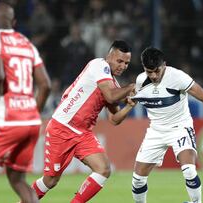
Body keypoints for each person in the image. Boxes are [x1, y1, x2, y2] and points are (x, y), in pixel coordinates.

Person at [0, 3, 51, 203]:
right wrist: (32, 112)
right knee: (18, 180)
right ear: (13, 23)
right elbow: (45, 85)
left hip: (7, 118)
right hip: (30, 121)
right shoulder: (26, 43)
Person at [31, 40, 136, 203]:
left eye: (126, 63)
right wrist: (131, 87)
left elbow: (114, 119)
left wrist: (129, 106)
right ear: (109, 56)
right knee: (50, 181)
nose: (122, 66)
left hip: (82, 133)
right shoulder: (99, 65)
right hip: (62, 127)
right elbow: (110, 96)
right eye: (119, 61)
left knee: (103, 169)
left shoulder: (113, 84)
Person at [130, 47, 203, 203]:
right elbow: (134, 100)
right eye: (150, 72)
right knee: (137, 180)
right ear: (144, 69)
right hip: (155, 131)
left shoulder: (177, 77)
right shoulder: (140, 81)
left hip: (180, 127)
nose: (154, 75)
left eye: (157, 71)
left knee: (189, 170)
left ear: (164, 65)